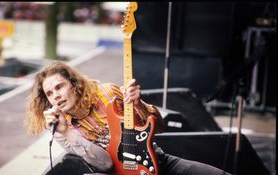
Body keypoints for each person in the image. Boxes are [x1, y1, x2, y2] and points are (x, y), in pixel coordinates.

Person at [23, 61, 231, 175]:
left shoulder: (107, 94)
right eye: (49, 93)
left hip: (156, 161)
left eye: (59, 87)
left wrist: (138, 104)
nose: (56, 95)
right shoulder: (61, 129)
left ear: (74, 84)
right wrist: (67, 132)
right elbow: (105, 165)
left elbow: (157, 127)